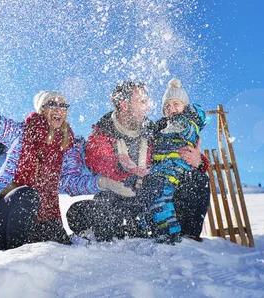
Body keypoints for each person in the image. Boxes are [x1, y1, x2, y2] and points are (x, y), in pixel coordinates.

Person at [0, 43, 132, 249]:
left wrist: (102, 183)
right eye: (52, 103)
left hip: (37, 223)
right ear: (42, 109)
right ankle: (17, 261)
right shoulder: (20, 133)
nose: (59, 108)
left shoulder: (67, 148)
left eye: (63, 105)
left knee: (63, 241)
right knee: (27, 194)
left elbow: (70, 182)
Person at [66, 79, 210, 242]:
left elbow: (173, 153)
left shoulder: (153, 129)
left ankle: (186, 237)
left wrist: (199, 161)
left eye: (147, 101)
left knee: (197, 179)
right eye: (142, 101)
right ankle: (137, 228)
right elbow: (101, 165)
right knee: (79, 211)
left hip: (154, 194)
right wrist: (126, 169)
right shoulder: (103, 133)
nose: (148, 107)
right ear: (124, 105)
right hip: (125, 199)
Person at [137, 79, 208, 244]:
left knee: (161, 195)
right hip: (159, 170)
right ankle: (155, 228)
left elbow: (189, 132)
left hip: (176, 169)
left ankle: (171, 233)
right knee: (151, 196)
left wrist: (177, 124)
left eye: (176, 104)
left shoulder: (189, 123)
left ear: (185, 106)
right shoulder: (162, 128)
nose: (171, 109)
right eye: (167, 107)